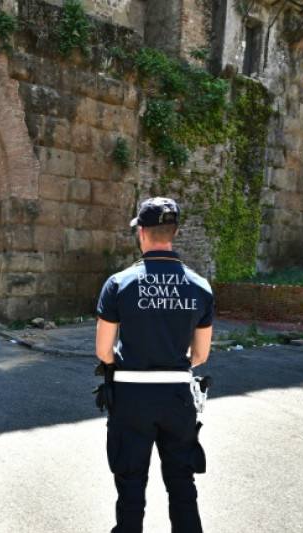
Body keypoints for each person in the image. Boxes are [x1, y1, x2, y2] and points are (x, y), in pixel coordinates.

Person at [95, 197, 215, 533]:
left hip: (131, 396)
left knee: (131, 487)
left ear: (142, 233)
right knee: (182, 486)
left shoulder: (118, 284)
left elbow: (104, 350)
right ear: (174, 233)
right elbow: (201, 354)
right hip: (177, 397)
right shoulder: (200, 287)